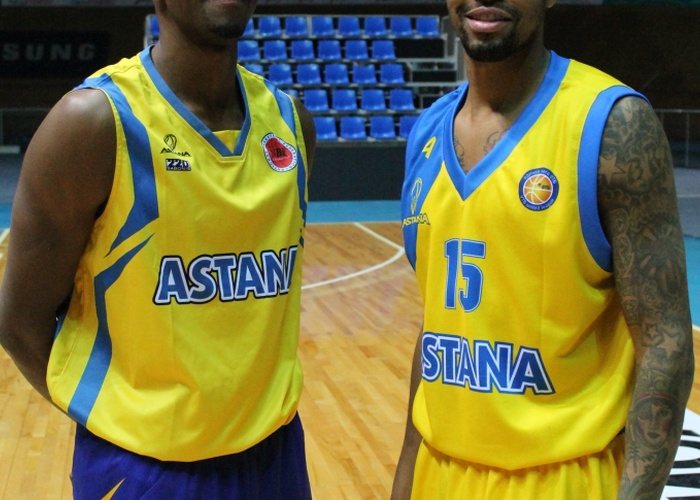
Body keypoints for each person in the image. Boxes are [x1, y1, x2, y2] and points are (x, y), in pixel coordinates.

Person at [0, 0, 316, 497]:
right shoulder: (91, 124)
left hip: (275, 459)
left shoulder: (291, 123)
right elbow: (20, 323)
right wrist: (118, 422)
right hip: (144, 471)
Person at [392, 0, 694, 498]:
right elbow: (439, 326)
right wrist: (406, 470)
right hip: (439, 473)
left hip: (563, 478)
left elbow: (666, 339)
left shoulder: (615, 124)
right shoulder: (426, 129)